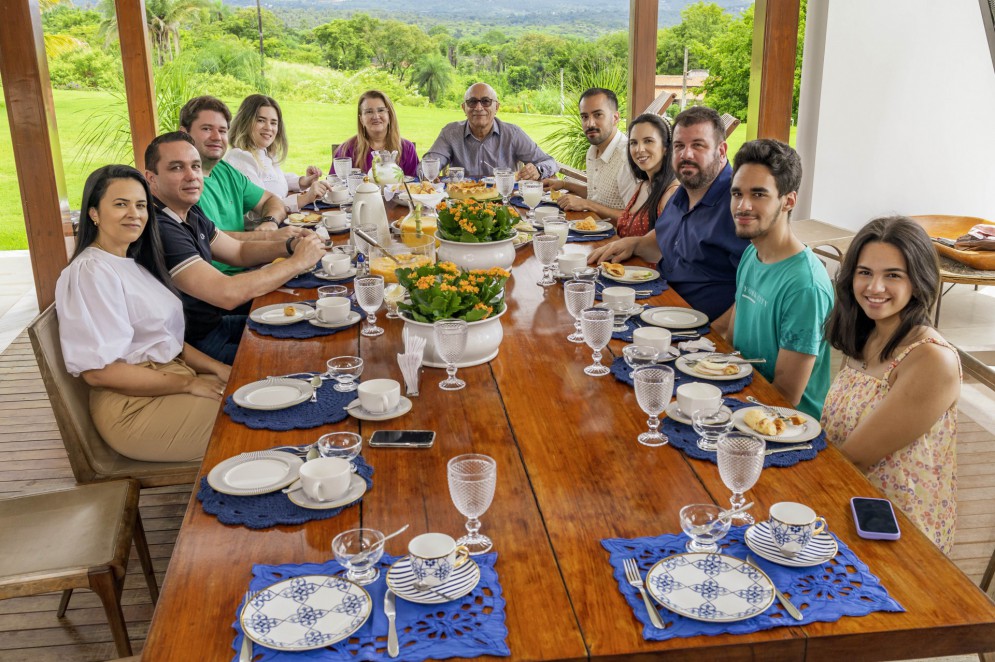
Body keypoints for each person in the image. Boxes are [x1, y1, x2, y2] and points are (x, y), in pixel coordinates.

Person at [54, 164, 229, 462]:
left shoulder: (130, 263)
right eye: (120, 204)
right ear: (94, 213)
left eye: (140, 205)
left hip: (167, 384)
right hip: (133, 409)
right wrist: (190, 383)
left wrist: (221, 369)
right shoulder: (90, 272)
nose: (134, 214)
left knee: (260, 399)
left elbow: (164, 342)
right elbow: (99, 372)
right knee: (253, 421)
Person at [821, 216, 960, 553]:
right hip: (845, 498)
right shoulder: (867, 336)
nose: (875, 287)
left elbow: (854, 456)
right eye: (865, 272)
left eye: (893, 275)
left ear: (918, 281)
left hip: (896, 533)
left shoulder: (930, 360)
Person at [145, 132, 326, 365]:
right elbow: (227, 294)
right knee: (304, 356)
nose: (191, 176)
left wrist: (289, 246)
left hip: (216, 324)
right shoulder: (161, 228)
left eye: (195, 166)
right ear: (151, 178)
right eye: (177, 168)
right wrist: (297, 262)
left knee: (314, 322)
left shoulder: (186, 211)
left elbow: (238, 251)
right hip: (194, 346)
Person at [588, 106, 748, 323]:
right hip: (660, 306)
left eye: (698, 145)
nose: (686, 155)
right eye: (680, 146)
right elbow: (661, 240)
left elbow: (754, 293)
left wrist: (718, 336)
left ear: (721, 151)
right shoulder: (683, 192)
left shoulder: (739, 206)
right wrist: (634, 243)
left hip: (698, 330)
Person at [725, 139, 833, 418]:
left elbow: (785, 396)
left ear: (789, 201)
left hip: (784, 427)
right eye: (737, 194)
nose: (743, 206)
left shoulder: (805, 286)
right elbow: (734, 347)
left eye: (759, 194)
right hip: (743, 397)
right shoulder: (752, 254)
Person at [179, 95, 298, 274]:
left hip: (249, 266)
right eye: (206, 129)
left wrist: (271, 222)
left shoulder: (225, 171)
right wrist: (270, 237)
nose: (216, 137)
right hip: (221, 281)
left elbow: (271, 200)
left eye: (222, 130)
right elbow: (207, 238)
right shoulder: (181, 184)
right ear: (184, 133)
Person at [423, 82, 557, 181]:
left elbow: (550, 162)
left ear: (496, 107)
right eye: (472, 102)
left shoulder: (513, 134)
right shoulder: (450, 133)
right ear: (464, 108)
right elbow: (428, 164)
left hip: (505, 204)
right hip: (461, 203)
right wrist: (428, 171)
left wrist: (538, 170)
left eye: (486, 102)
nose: (479, 107)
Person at [542, 88, 640, 221]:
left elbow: (634, 219)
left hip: (617, 238)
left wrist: (587, 204)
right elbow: (599, 195)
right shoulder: (593, 151)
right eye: (584, 116)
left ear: (615, 118)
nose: (590, 123)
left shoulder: (627, 159)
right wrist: (564, 185)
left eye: (598, 115)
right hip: (594, 229)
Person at [224, 94, 330, 213]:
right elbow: (264, 204)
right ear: (245, 122)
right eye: (260, 120)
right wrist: (305, 198)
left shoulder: (263, 152)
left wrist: (302, 181)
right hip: (262, 227)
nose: (268, 127)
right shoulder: (240, 158)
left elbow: (274, 179)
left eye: (273, 123)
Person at [614, 113, 678, 237]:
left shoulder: (672, 193)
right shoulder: (641, 186)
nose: (639, 149)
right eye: (633, 143)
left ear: (666, 147)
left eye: (648, 141)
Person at [334, 90, 419, 178]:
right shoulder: (347, 149)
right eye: (369, 112)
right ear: (361, 119)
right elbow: (335, 185)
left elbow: (415, 186)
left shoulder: (406, 148)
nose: (376, 116)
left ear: (390, 115)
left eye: (381, 110)